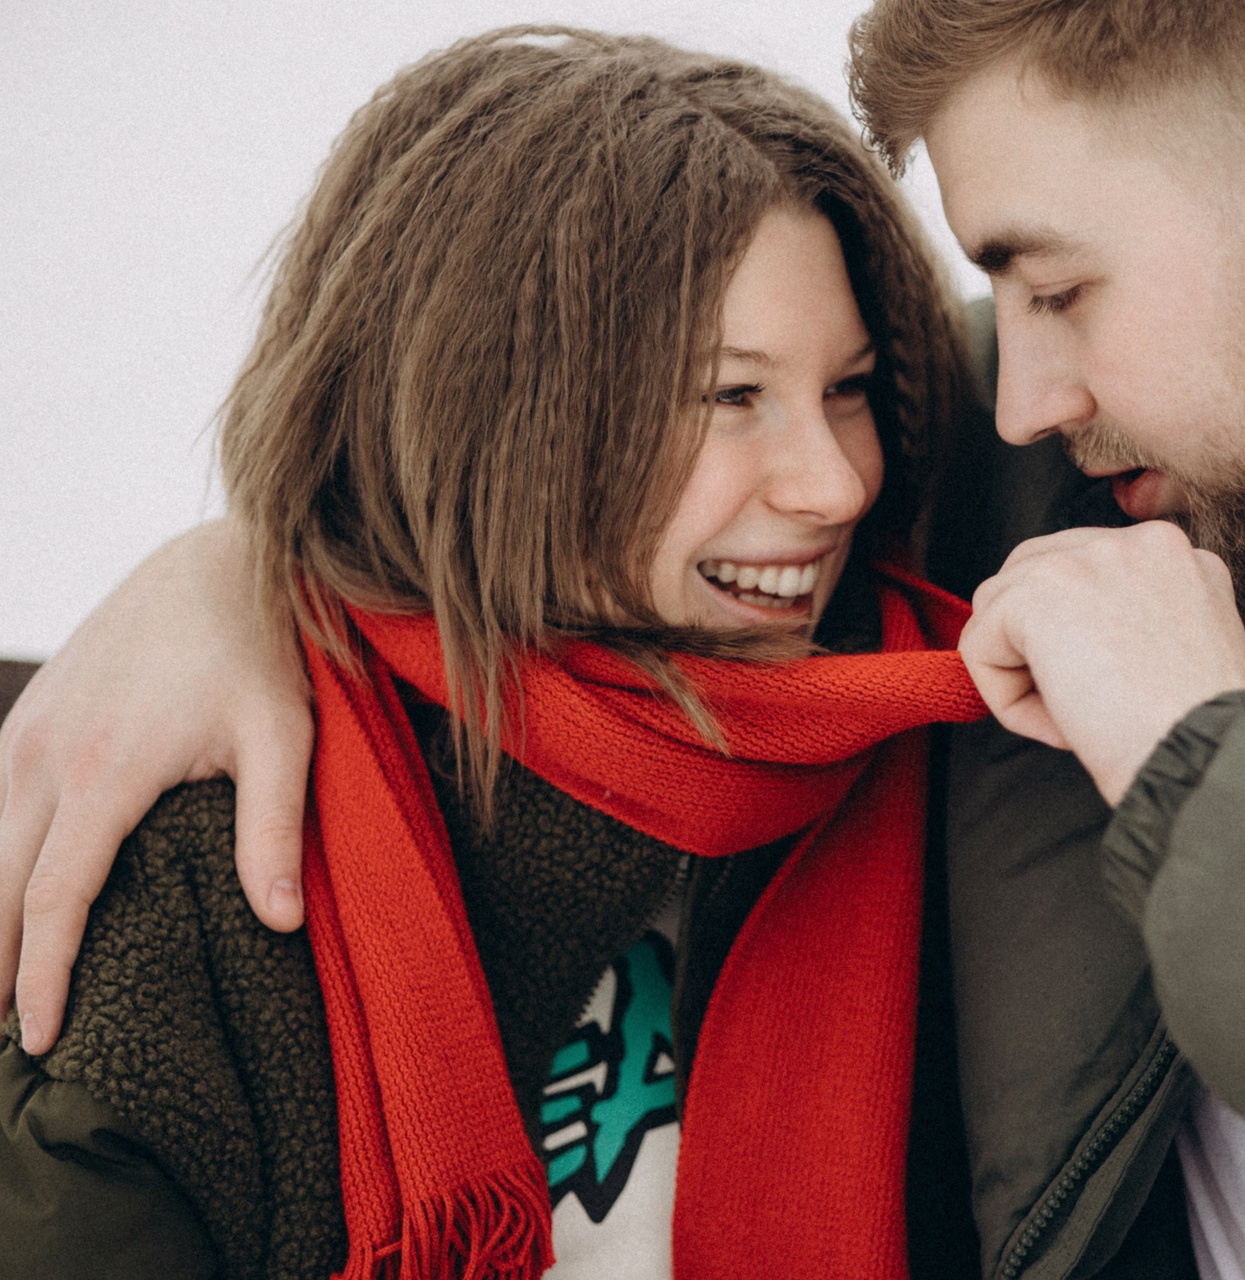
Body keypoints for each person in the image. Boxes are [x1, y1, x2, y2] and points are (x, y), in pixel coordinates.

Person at [6, 1, 1245, 1277]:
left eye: (1051, 285)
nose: (1005, 398)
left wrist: (1209, 764)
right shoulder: (1086, 455)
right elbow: (545, 422)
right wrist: (249, 571)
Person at [0, 26, 993, 1280]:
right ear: (498, 413)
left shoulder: (953, 724)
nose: (836, 482)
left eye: (849, 388)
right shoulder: (193, 857)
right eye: (733, 396)